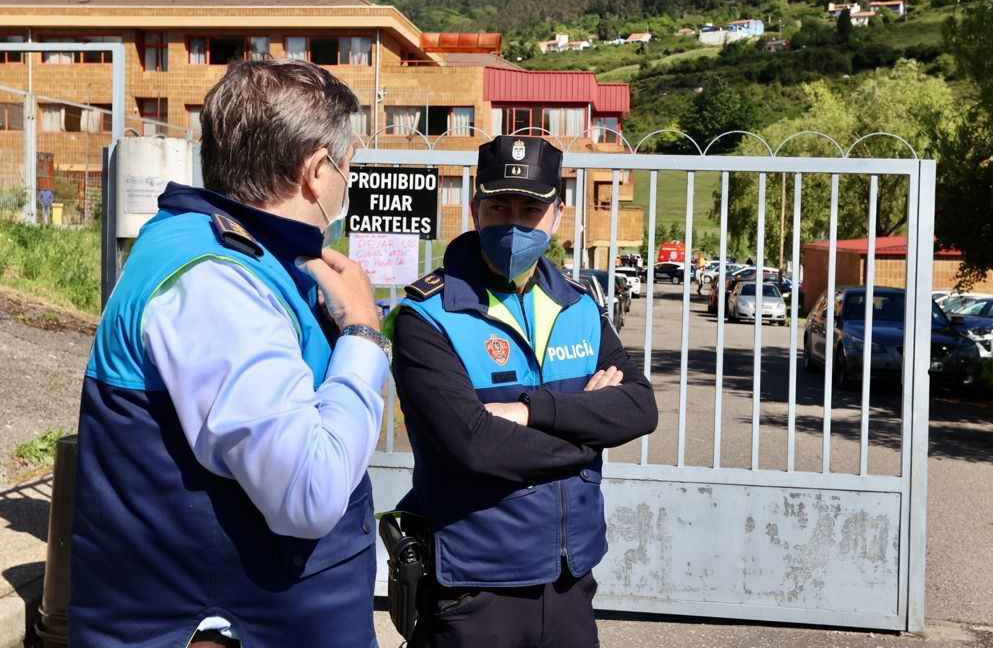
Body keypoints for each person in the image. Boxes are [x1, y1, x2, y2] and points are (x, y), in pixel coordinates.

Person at [69, 59, 390, 647]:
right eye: (348, 167)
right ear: (317, 172)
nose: (349, 181)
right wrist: (364, 335)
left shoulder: (240, 256)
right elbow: (309, 493)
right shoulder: (217, 280)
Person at [389, 135, 658, 647]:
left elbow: (639, 408)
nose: (515, 224)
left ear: (557, 215)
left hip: (570, 578)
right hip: (474, 583)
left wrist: (530, 412)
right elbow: (474, 446)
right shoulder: (427, 317)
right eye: (499, 207)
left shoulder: (579, 307)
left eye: (531, 208)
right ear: (475, 210)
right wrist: (588, 430)